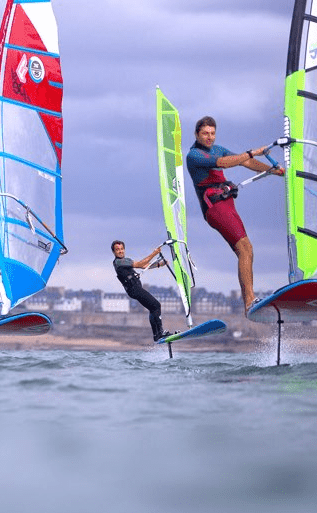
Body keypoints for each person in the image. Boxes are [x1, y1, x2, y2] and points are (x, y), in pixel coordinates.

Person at [185, 116, 284, 316]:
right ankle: (249, 302)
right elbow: (225, 163)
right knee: (245, 248)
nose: (209, 137)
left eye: (212, 133)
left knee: (246, 250)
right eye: (205, 133)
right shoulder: (194, 155)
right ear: (197, 134)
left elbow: (245, 162)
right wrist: (252, 151)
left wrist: (273, 170)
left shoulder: (217, 147)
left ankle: (249, 302)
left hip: (227, 204)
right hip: (215, 208)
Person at [111, 240, 171, 343]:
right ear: (114, 252)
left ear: (124, 249)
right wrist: (154, 253)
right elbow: (140, 264)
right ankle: (160, 332)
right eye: (117, 250)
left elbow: (144, 266)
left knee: (153, 308)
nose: (120, 251)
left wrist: (159, 264)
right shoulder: (119, 262)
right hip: (134, 289)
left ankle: (157, 335)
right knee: (156, 305)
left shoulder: (126, 261)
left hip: (135, 289)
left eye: (121, 249)